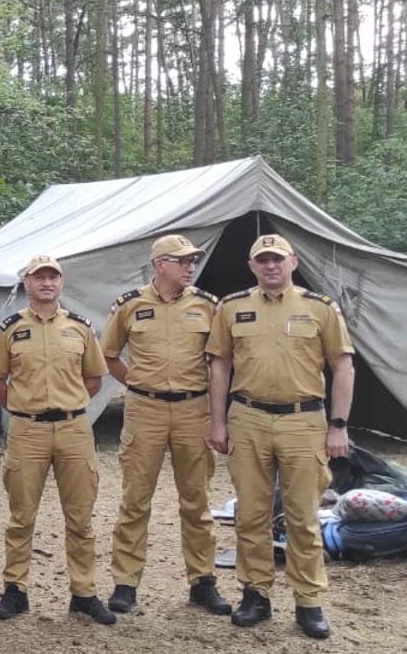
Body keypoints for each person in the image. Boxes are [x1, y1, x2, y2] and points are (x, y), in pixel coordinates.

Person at [206, 234, 353, 640]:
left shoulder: (319, 308)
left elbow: (343, 366)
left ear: (293, 262)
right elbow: (219, 367)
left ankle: (309, 602)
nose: (270, 266)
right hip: (248, 418)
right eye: (262, 260)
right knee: (251, 514)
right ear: (252, 266)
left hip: (302, 421)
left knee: (303, 516)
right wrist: (217, 422)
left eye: (277, 259)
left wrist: (338, 425)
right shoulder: (233, 308)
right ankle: (256, 594)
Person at [101, 234, 232, 616]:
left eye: (193, 261)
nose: (191, 267)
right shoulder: (130, 305)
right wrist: (139, 386)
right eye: (183, 261)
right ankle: (126, 582)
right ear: (160, 264)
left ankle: (203, 581)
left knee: (197, 501)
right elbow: (108, 355)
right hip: (145, 411)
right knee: (135, 499)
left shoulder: (208, 306)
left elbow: (220, 361)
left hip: (193, 410)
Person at [0, 256, 115, 625]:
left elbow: (94, 379)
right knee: (22, 516)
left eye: (52, 276)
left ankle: (84, 593)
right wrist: (27, 410)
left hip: (74, 429)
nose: (46, 282)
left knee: (81, 517)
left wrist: (66, 406)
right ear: (26, 283)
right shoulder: (9, 329)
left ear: (61, 283)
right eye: (38, 277)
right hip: (28, 431)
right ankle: (15, 590)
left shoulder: (80, 328)